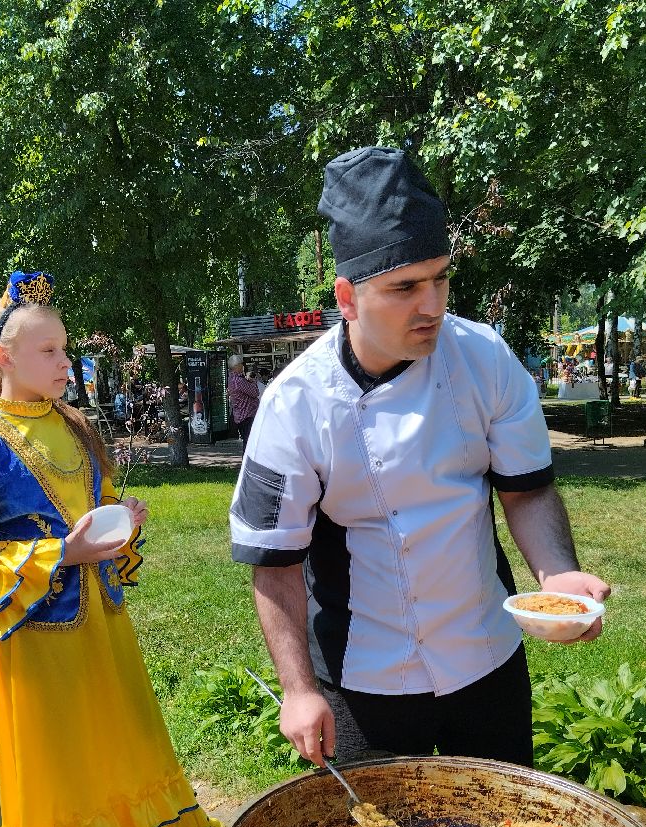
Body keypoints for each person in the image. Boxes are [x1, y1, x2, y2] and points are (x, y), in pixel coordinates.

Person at [229, 146, 610, 769]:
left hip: (485, 654)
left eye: (440, 278)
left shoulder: (484, 357)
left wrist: (557, 573)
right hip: (364, 675)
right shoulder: (296, 403)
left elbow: (528, 489)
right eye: (404, 287)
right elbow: (274, 562)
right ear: (347, 298)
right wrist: (298, 691)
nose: (431, 305)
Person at [0, 270, 219, 827]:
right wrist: (67, 550)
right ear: (2, 358)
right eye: (50, 352)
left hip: (103, 627)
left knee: (121, 736)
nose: (67, 364)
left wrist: (124, 527)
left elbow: (101, 501)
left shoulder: (73, 424)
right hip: (41, 642)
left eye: (65, 350)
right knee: (65, 760)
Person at [226, 354, 260, 452]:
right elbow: (255, 393)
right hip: (247, 416)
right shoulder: (239, 381)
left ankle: (247, 463)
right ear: (237, 366)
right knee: (249, 442)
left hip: (239, 415)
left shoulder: (231, 379)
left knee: (247, 441)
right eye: (241, 364)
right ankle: (247, 464)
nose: (243, 366)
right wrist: (252, 382)